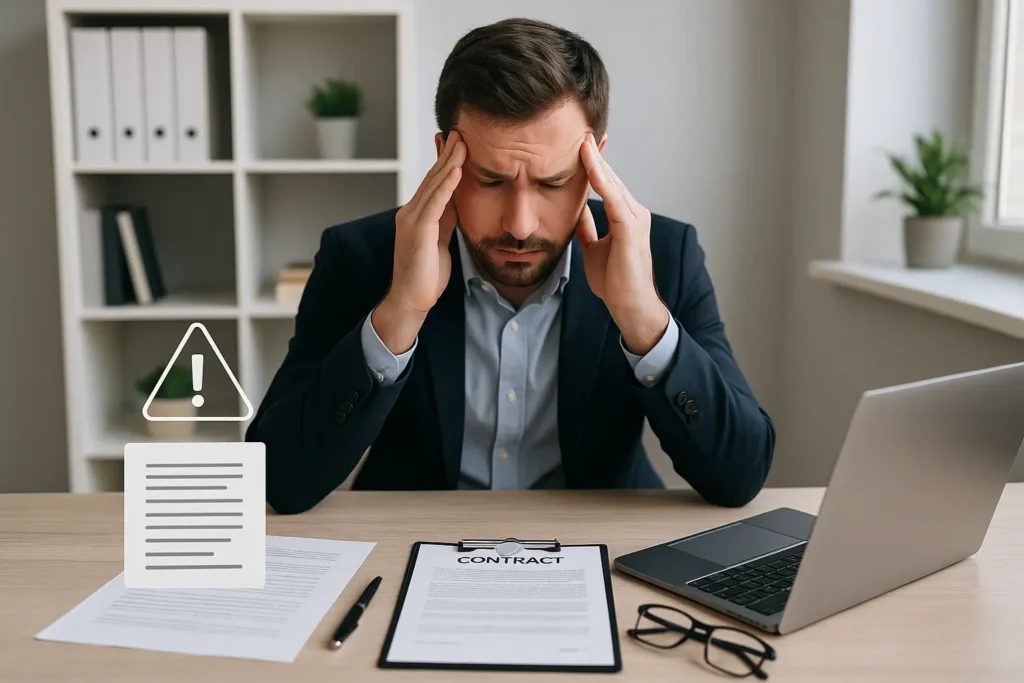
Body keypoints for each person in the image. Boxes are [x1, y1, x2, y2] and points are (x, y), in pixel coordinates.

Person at [247, 17, 775, 514]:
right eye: (491, 180)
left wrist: (642, 318)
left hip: (602, 545)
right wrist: (399, 313)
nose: (521, 225)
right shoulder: (359, 256)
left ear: (596, 164)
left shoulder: (666, 255)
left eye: (552, 183)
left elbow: (740, 475)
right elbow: (278, 482)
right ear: (444, 158)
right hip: (412, 542)